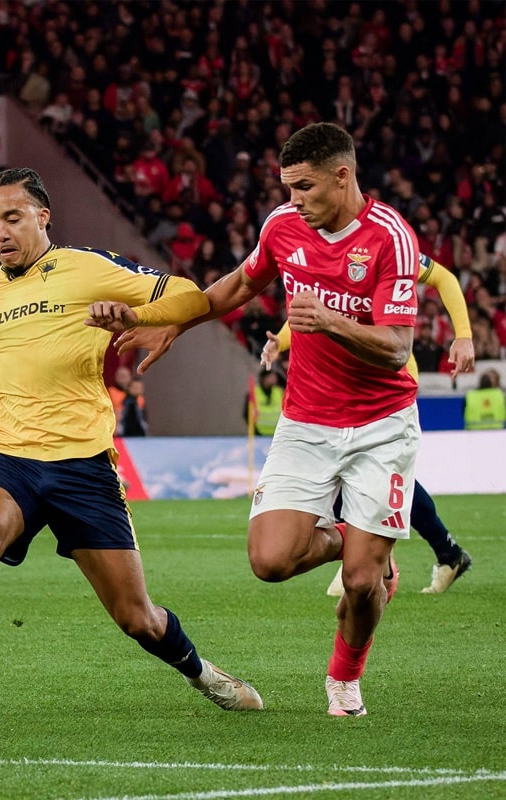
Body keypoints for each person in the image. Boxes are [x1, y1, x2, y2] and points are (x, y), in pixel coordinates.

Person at [0, 167, 263, 725]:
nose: (0, 232)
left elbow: (188, 297)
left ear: (42, 216)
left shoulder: (88, 268)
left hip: (84, 465)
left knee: (137, 618)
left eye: (12, 218)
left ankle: (204, 674)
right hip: (11, 455)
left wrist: (134, 316)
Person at [116, 123, 419, 717]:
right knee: (269, 562)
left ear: (343, 175)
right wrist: (178, 320)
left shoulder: (391, 239)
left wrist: (328, 320)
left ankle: (344, 679)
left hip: (381, 424)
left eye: (305, 187)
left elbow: (397, 347)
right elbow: (240, 284)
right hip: (306, 420)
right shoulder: (283, 226)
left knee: (361, 584)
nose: (294, 199)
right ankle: (358, 543)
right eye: (287, 187)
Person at [263, 251, 476, 594]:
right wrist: (281, 343)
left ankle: (376, 555)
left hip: (388, 378)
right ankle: (443, 552)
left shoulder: (384, 244)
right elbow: (313, 308)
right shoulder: (319, 249)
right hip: (344, 380)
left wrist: (463, 334)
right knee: (354, 469)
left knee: (369, 470)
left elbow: (444, 278)